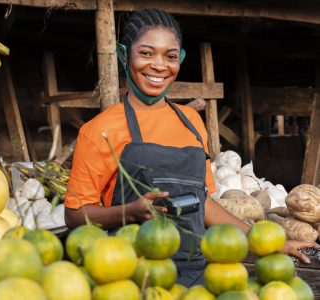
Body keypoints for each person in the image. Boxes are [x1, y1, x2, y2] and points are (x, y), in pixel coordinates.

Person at [64, 8, 318, 287]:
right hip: (134, 278)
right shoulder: (99, 130)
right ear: (124, 55)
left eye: (170, 56)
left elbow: (205, 203)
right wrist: (130, 211)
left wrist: (271, 243)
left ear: (180, 60)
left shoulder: (191, 122)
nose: (159, 66)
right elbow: (75, 215)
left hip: (196, 277)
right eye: (146, 53)